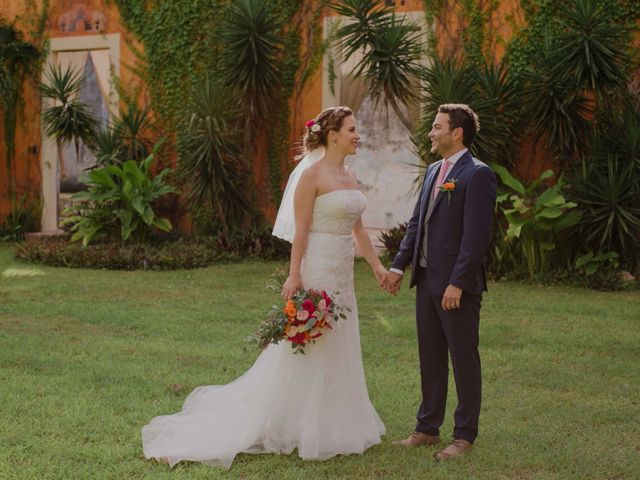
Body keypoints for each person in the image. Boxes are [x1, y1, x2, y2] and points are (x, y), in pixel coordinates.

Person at [142, 106, 386, 469]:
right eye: (352, 129)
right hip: (317, 267)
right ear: (332, 134)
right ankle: (294, 420)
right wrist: (295, 274)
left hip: (343, 275)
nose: (357, 135)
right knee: (309, 339)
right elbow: (301, 231)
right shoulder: (312, 176)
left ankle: (336, 420)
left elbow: (359, 231)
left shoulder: (350, 176)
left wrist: (378, 267)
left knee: (340, 338)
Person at [383, 104, 497, 461]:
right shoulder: (434, 170)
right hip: (427, 281)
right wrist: (400, 266)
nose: (431, 133)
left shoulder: (477, 174)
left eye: (437, 127)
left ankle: (464, 435)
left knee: (464, 359)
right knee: (430, 358)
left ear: (457, 132)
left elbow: (476, 237)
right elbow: (417, 223)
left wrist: (458, 282)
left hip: (455, 287)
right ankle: (427, 428)